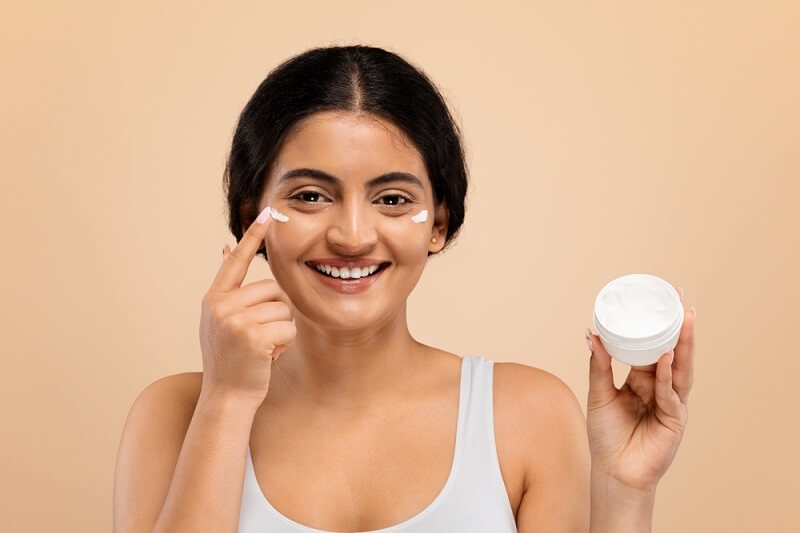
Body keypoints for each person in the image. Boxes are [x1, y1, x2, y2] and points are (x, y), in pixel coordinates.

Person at [113, 45, 695, 532]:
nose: (351, 235)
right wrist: (226, 401)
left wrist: (623, 491)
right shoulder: (175, 415)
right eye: (311, 196)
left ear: (438, 223)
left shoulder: (528, 415)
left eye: (393, 200)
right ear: (251, 216)